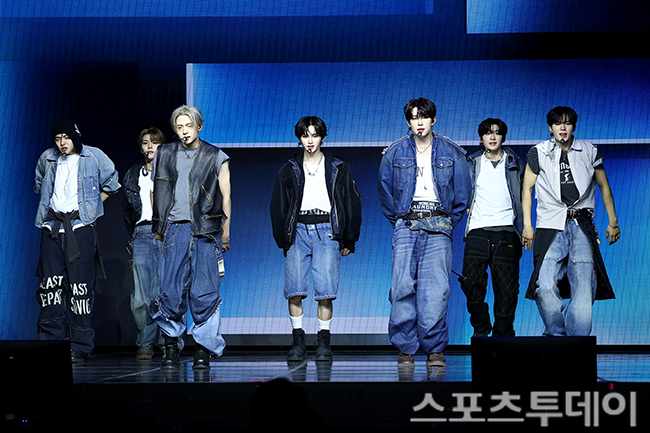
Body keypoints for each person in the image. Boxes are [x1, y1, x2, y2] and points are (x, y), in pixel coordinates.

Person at [377, 98, 470, 368]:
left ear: (433, 120)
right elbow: (385, 191)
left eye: (424, 117)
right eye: (415, 117)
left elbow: (462, 195)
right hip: (406, 223)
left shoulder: (452, 152)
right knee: (402, 286)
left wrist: (446, 223)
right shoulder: (394, 152)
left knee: (436, 289)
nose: (420, 122)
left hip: (438, 224)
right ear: (408, 121)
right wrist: (399, 220)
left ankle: (434, 348)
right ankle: (405, 347)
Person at [522, 106, 621, 336]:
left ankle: (577, 344)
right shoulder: (538, 152)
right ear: (551, 127)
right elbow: (527, 188)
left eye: (567, 123)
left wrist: (613, 222)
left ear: (573, 126)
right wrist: (527, 225)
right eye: (558, 123)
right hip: (550, 225)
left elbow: (604, 185)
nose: (563, 127)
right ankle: (556, 337)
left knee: (584, 288)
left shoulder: (588, 151)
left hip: (581, 224)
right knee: (544, 284)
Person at [270, 116, 362, 364]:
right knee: (294, 289)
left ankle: (323, 341)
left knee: (325, 291)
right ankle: (298, 340)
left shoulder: (338, 167)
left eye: (314, 135)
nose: (310, 140)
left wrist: (349, 239)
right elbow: (278, 204)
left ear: (322, 137)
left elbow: (351, 202)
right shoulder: (289, 168)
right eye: (305, 135)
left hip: (327, 230)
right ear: (299, 138)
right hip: (298, 230)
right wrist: (283, 238)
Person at [151, 105, 231, 370]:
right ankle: (171, 346)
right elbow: (157, 191)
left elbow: (226, 196)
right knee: (170, 290)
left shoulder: (215, 155)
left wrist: (226, 231)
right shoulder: (164, 153)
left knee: (205, 291)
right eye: (179, 127)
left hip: (207, 230)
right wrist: (158, 226)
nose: (184, 131)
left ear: (199, 126)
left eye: (188, 125)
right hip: (175, 229)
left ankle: (203, 349)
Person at [34, 118, 120, 363]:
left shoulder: (93, 156)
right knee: (50, 287)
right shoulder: (47, 158)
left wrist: (90, 209)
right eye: (58, 139)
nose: (62, 143)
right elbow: (40, 185)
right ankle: (50, 343)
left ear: (76, 137)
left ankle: (79, 346)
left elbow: (112, 184)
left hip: (80, 228)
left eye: (67, 138)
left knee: (80, 288)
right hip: (52, 227)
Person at [460, 118, 525, 337]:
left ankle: (502, 337)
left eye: (497, 132)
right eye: (488, 133)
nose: (493, 136)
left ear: (503, 137)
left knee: (507, 291)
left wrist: (526, 226)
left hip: (507, 230)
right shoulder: (471, 163)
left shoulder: (516, 163)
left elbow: (525, 196)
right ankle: (481, 326)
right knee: (470, 282)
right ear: (481, 138)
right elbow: (460, 190)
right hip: (478, 230)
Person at [122, 127, 165, 360]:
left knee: (168, 291)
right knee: (141, 295)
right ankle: (146, 342)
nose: (150, 146)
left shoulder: (171, 171)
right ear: (141, 148)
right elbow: (126, 211)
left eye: (155, 142)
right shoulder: (133, 174)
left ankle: (170, 342)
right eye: (146, 142)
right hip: (142, 233)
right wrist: (135, 234)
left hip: (168, 234)